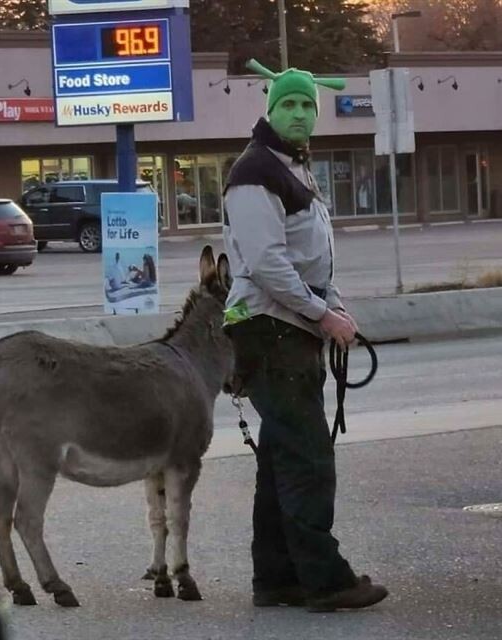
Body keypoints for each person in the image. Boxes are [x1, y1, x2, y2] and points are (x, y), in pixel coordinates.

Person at [222, 59, 388, 613]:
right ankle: (325, 580)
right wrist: (322, 314)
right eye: (287, 104)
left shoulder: (292, 169)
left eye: (306, 105)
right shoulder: (255, 173)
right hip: (270, 331)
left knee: (281, 460)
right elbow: (268, 263)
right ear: (269, 110)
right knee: (308, 460)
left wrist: (332, 304)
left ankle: (277, 578)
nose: (298, 113)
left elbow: (307, 257)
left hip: (288, 330)